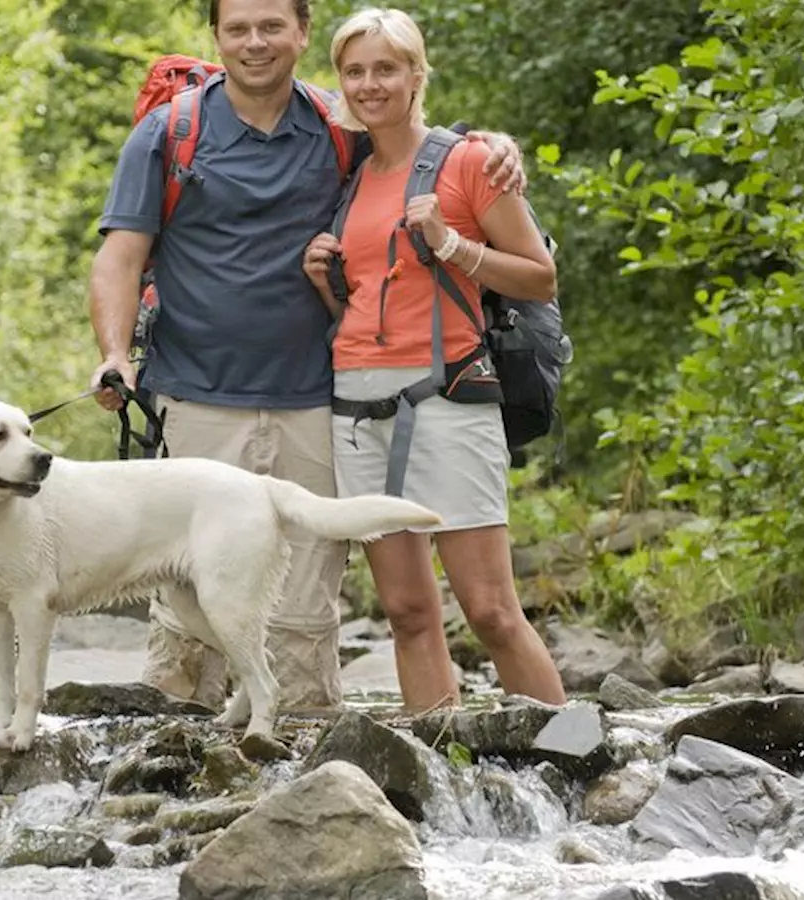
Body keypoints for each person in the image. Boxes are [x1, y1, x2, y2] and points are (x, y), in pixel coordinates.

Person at [87, 0, 528, 715]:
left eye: (271, 27)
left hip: (320, 403)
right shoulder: (171, 134)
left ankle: (297, 763)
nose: (254, 43)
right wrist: (113, 353)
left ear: (301, 33)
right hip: (195, 398)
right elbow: (120, 257)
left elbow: (417, 148)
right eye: (238, 28)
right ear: (217, 37)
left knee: (301, 600)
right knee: (189, 599)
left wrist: (493, 143)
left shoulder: (337, 127)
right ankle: (169, 778)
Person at [302, 6, 567, 711]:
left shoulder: (470, 161)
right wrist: (322, 281)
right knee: (410, 614)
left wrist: (451, 243)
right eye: (354, 71)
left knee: (490, 611)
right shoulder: (352, 175)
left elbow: (539, 276)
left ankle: (578, 763)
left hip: (450, 397)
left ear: (418, 74)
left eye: (386, 68)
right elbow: (367, 305)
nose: (369, 84)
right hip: (357, 408)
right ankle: (441, 783)